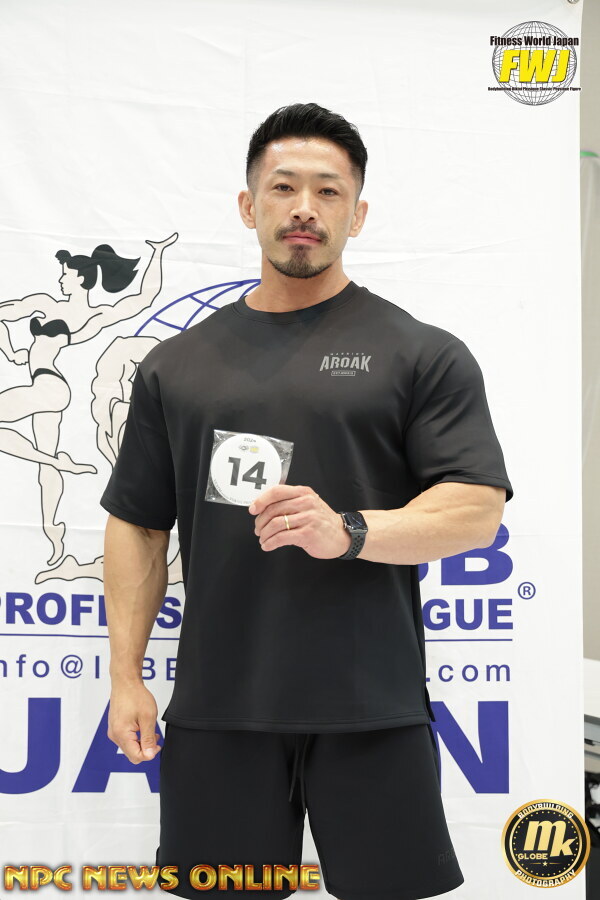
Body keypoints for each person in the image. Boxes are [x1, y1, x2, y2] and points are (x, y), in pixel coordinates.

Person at [101, 102, 513, 900]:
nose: (304, 208)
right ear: (248, 205)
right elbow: (139, 526)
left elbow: (476, 509)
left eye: (328, 192)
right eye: (283, 187)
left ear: (357, 215)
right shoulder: (175, 367)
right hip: (219, 708)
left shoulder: (420, 353)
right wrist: (125, 677)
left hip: (371, 706)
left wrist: (349, 530)